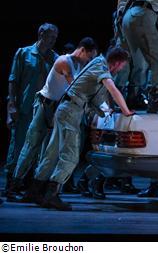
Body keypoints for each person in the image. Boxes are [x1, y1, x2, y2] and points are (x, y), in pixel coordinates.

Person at [28, 47, 135, 211]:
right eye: (122, 66)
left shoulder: (98, 65)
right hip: (70, 111)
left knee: (53, 152)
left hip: (66, 109)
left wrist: (106, 110)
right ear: (117, 63)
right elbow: (112, 89)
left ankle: (35, 191)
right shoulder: (101, 67)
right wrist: (126, 111)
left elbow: (96, 98)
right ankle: (51, 195)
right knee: (70, 155)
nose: (121, 69)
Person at [6, 37, 98, 202]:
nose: (89, 61)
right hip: (44, 106)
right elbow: (74, 87)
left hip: (57, 109)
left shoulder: (79, 65)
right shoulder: (64, 61)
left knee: (47, 151)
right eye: (89, 57)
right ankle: (13, 186)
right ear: (83, 50)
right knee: (31, 146)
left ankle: (34, 189)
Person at [4, 23, 58, 199]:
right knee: (19, 145)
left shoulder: (55, 58)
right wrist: (11, 105)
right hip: (25, 107)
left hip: (44, 109)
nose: (53, 40)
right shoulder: (24, 53)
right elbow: (13, 80)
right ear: (41, 34)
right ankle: (11, 184)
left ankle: (28, 185)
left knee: (38, 147)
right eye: (51, 36)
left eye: (55, 37)